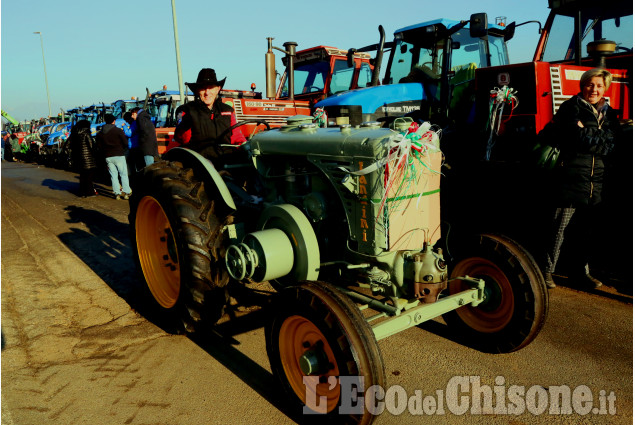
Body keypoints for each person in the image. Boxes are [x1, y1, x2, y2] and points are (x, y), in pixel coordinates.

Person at [542, 68, 621, 289]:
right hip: (570, 179)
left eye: (599, 85)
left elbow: (612, 143)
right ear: (582, 86)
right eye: (590, 84)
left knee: (584, 233)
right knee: (558, 230)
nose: (594, 89)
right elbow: (573, 138)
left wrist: (587, 134)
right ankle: (546, 272)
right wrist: (595, 137)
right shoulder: (570, 108)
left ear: (605, 88)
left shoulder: (610, 114)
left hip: (595, 183)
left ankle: (580, 273)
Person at [174, 68, 246, 166]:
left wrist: (247, 147)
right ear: (198, 90)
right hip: (201, 162)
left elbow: (237, 138)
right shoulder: (189, 110)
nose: (207, 92)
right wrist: (185, 124)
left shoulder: (228, 110)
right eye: (203, 88)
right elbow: (183, 138)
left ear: (218, 89)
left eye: (211, 87)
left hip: (227, 159)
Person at [97, 114, 132, 200]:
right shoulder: (118, 131)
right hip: (119, 154)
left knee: (113, 175)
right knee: (123, 174)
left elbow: (99, 146)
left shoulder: (100, 133)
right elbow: (126, 143)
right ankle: (127, 192)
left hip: (108, 156)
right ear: (114, 121)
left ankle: (117, 194)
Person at [69, 119, 99, 197]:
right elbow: (91, 145)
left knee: (82, 176)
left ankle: (82, 193)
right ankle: (89, 192)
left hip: (79, 158)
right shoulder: (86, 133)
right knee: (89, 177)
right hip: (88, 158)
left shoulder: (74, 133)